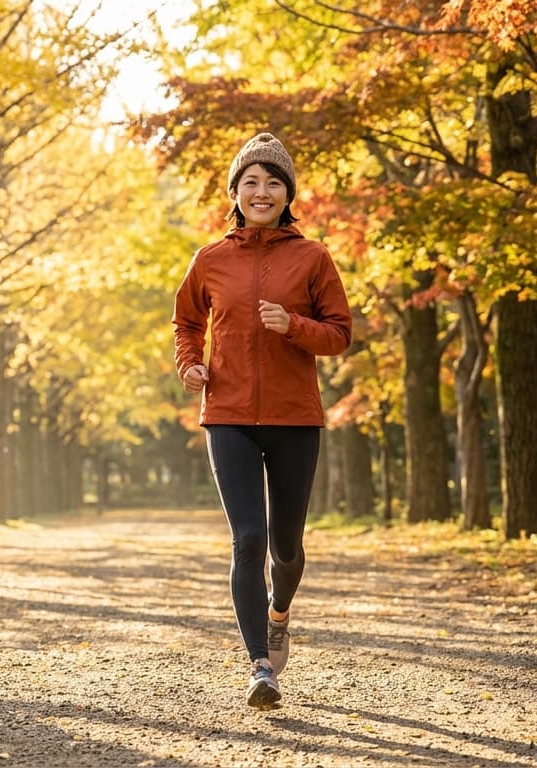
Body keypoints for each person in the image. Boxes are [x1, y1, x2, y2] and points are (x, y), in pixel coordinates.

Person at [172, 132, 352, 709]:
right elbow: (186, 323)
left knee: (286, 547)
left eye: (274, 182)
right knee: (248, 539)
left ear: (287, 194)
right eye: (251, 180)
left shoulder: (313, 258)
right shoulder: (210, 259)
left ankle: (279, 612)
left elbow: (340, 335)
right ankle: (259, 668)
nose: (262, 190)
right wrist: (190, 365)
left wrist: (293, 326)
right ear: (234, 192)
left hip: (295, 418)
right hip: (227, 415)